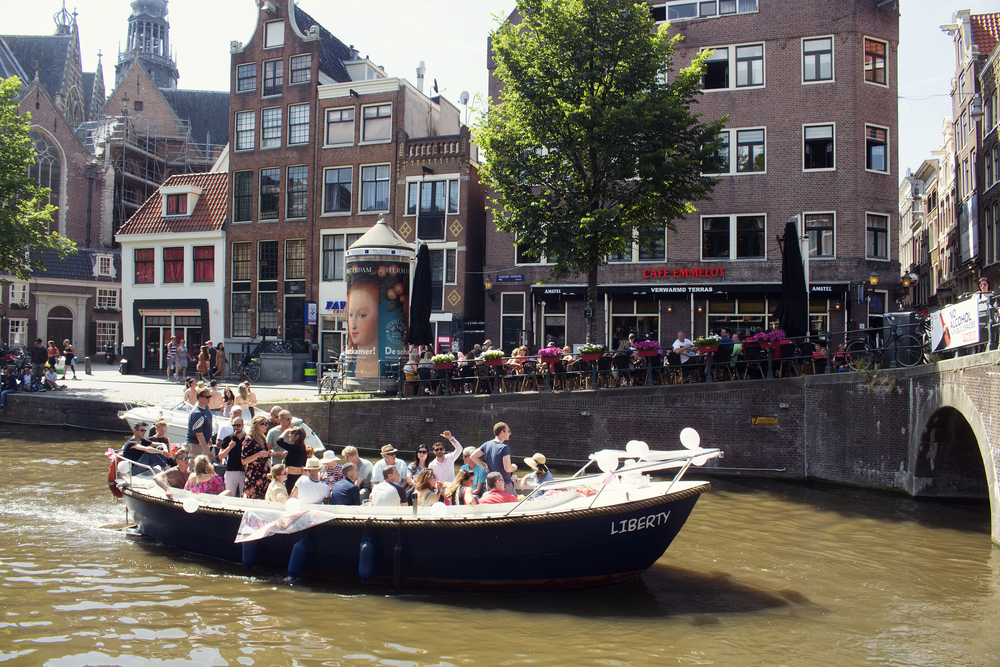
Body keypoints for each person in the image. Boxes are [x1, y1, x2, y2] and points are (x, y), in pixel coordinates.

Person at [345, 276, 380, 378]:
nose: (353, 325)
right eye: (350, 315)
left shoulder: (389, 368)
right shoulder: (350, 364)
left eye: (362, 315)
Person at [471, 422, 518, 496]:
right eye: (508, 431)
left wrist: (485, 466)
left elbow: (473, 456)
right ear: (502, 432)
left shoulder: (487, 444)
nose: (510, 433)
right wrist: (514, 467)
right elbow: (508, 469)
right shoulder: (504, 448)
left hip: (491, 485)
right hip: (504, 484)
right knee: (513, 504)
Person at [242, 414, 272, 500]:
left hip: (264, 472)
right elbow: (244, 461)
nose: (267, 426)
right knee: (254, 498)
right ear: (258, 425)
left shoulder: (262, 438)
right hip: (254, 474)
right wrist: (258, 454)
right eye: (265, 424)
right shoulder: (249, 440)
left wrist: (268, 453)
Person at [218, 414, 247, 497]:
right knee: (229, 494)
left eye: (238, 425)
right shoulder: (228, 438)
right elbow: (220, 456)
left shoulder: (247, 438)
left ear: (242, 425)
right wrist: (229, 447)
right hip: (231, 470)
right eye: (234, 425)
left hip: (243, 470)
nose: (236, 427)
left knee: (244, 495)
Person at [276, 425, 308, 492]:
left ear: (297, 436)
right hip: (297, 477)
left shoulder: (295, 448)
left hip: (291, 477)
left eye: (291, 433)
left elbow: (279, 441)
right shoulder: (302, 449)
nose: (289, 435)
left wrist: (286, 430)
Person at [185, 388, 213, 460]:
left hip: (203, 443)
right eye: (207, 397)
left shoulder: (206, 407)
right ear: (200, 398)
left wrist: (208, 438)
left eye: (210, 396)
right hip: (196, 445)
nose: (209, 399)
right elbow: (199, 435)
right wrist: (207, 451)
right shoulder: (197, 413)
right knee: (195, 467)